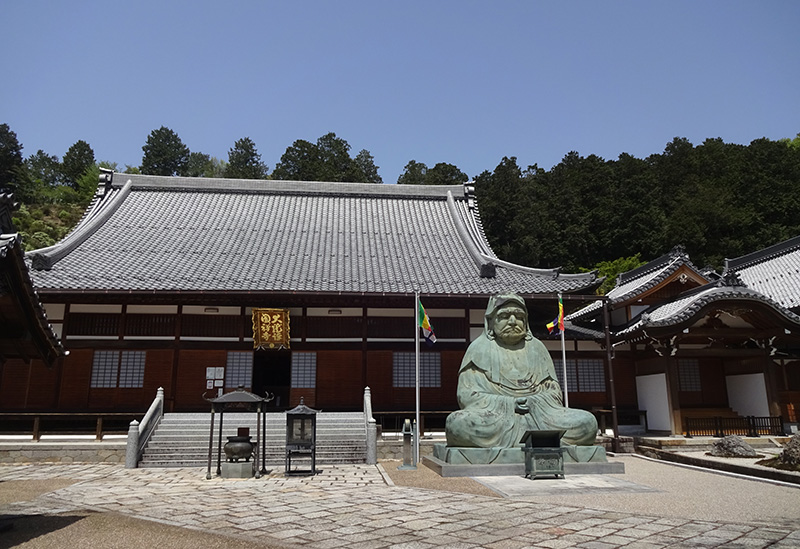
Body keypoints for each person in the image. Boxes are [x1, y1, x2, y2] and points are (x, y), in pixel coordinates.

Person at [445, 293, 598, 448]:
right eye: (504, 316)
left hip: (541, 415)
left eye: (519, 316)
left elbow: (555, 394)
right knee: (458, 424)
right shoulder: (478, 349)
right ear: (491, 321)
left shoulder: (537, 348)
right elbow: (466, 395)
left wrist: (532, 403)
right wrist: (510, 404)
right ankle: (535, 440)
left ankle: (528, 440)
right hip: (495, 418)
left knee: (587, 422)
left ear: (526, 321)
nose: (513, 321)